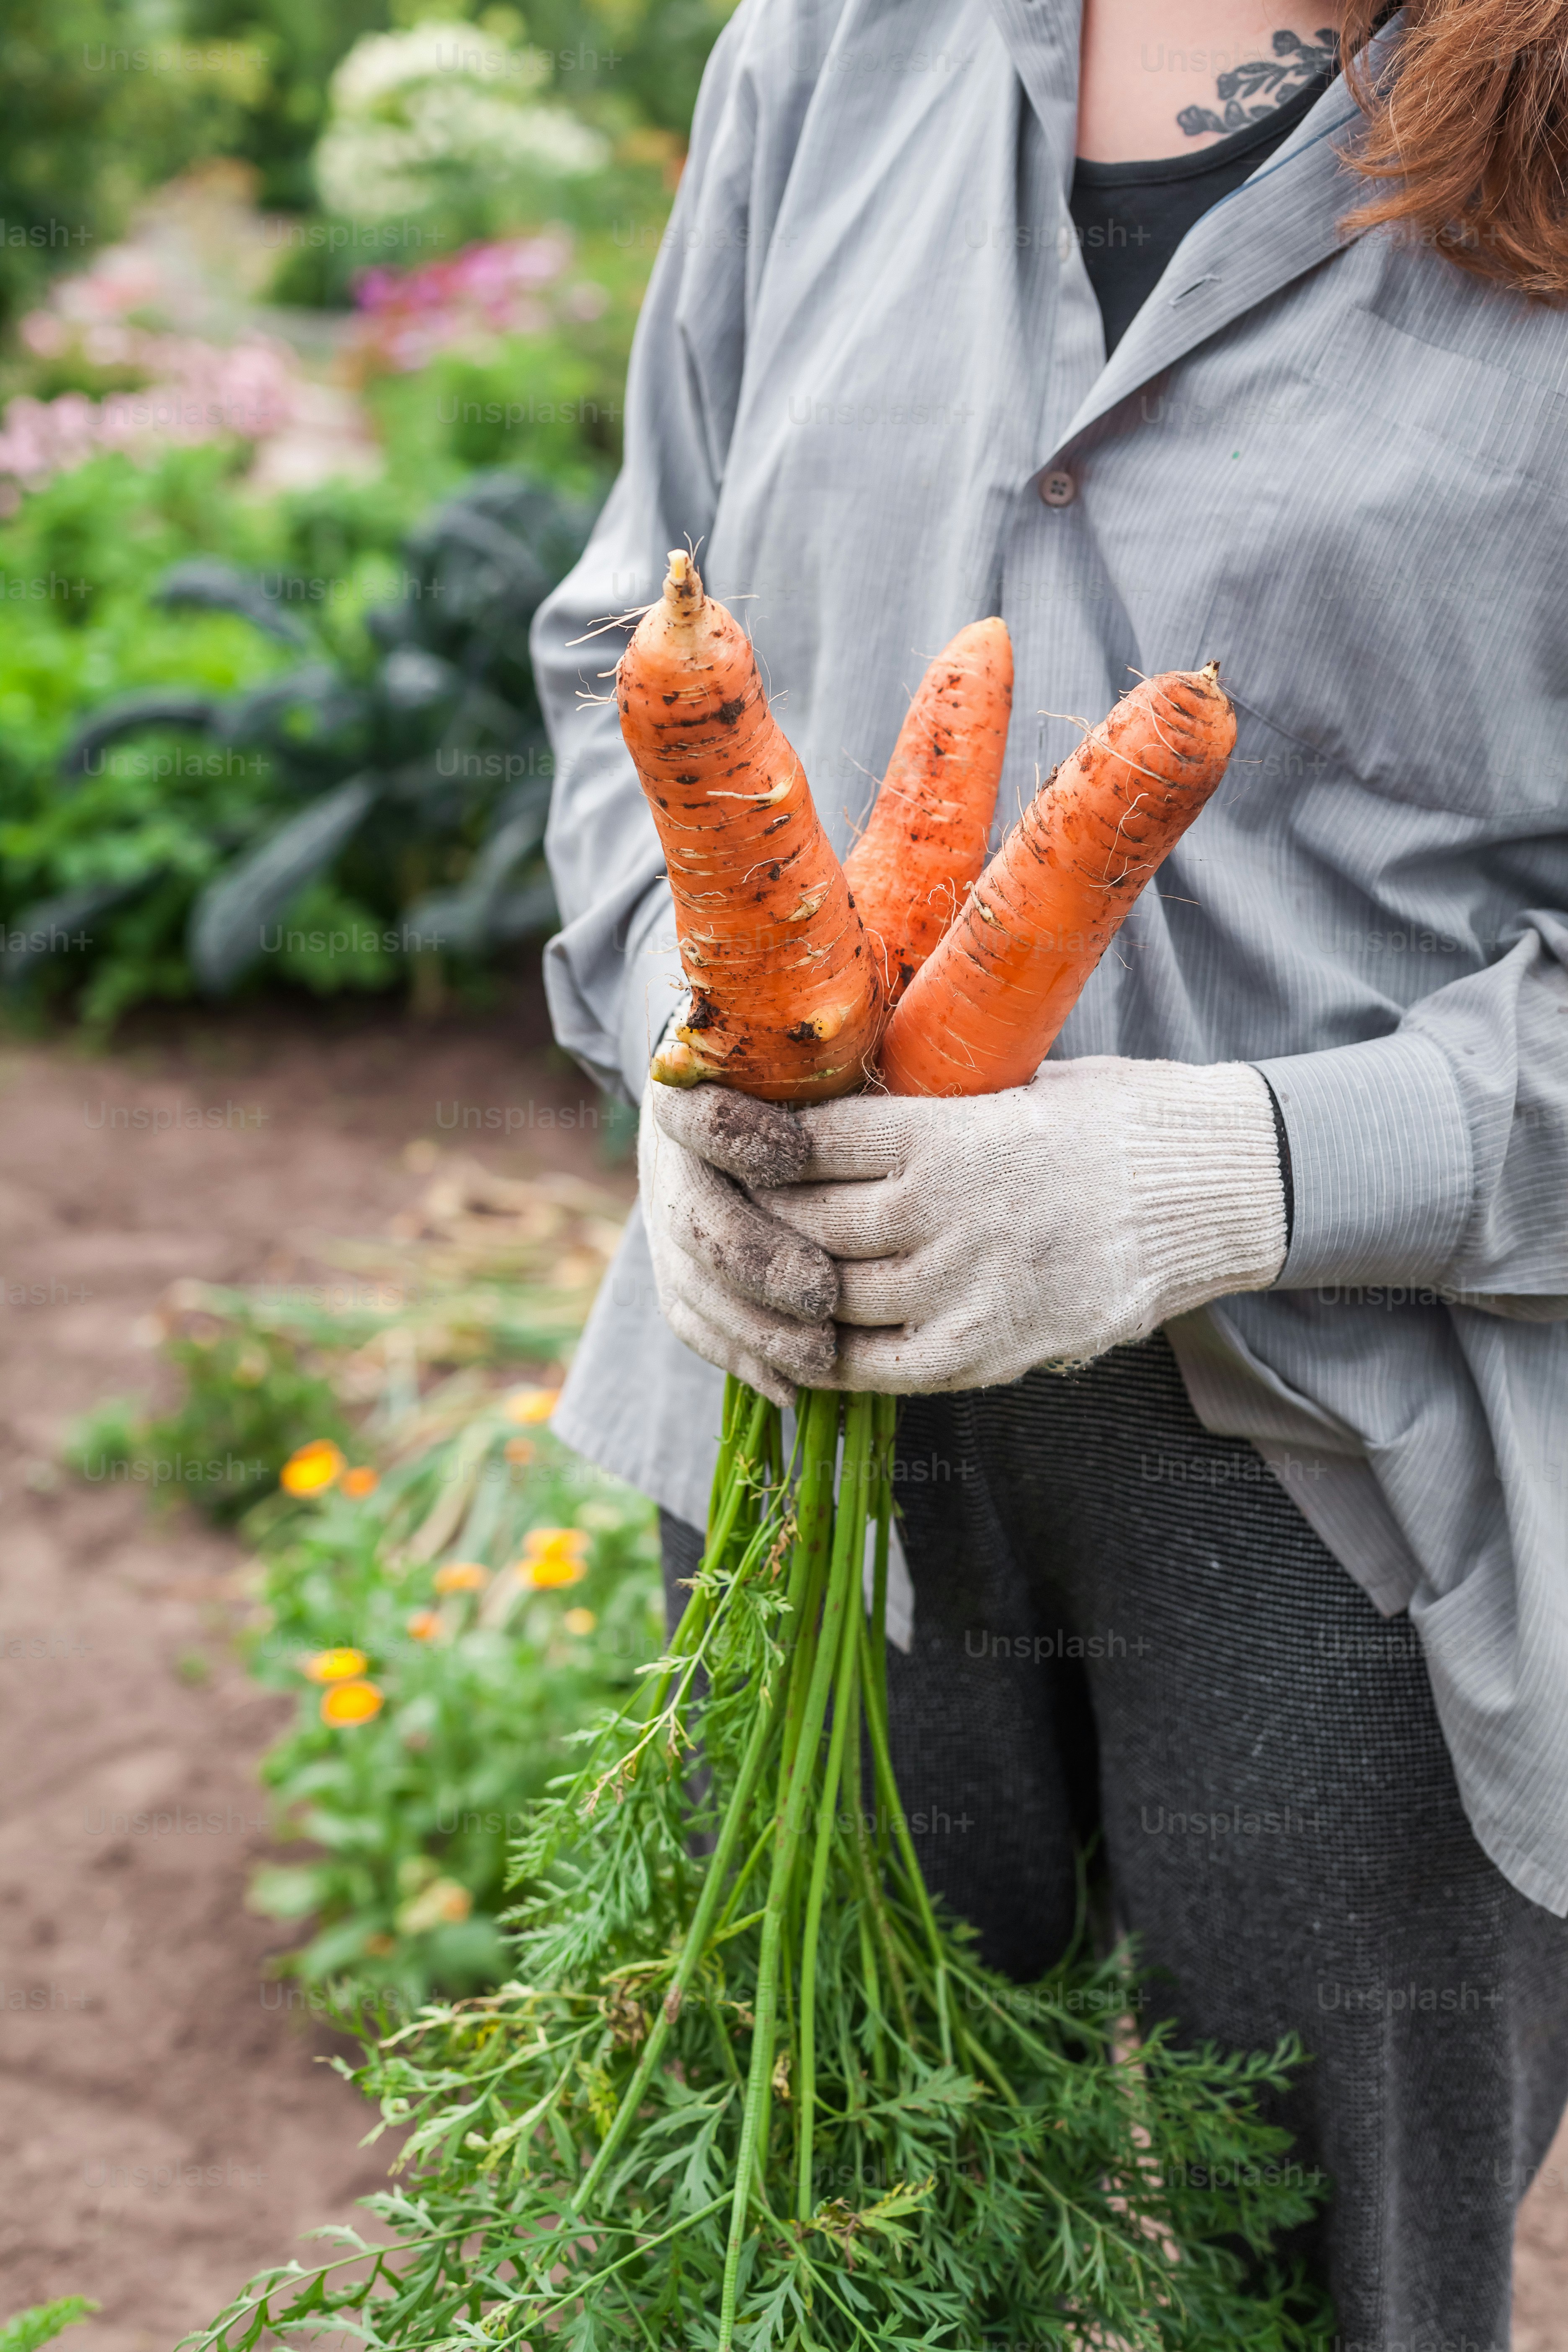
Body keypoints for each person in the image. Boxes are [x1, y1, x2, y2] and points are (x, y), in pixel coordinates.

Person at [531, 0, 1568, 2336]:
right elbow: (632, 628)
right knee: (800, 2239)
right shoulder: (835, 43)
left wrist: (1247, 1167)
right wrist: (690, 1031)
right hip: (801, 1375)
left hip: (1379, 1473)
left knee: (1327, 2296)